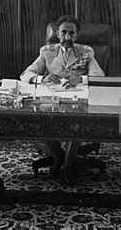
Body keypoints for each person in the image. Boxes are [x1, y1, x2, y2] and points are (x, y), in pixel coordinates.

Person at [20, 15, 105, 180]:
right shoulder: (47, 51)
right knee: (45, 119)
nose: (67, 37)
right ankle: (58, 156)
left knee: (77, 122)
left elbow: (100, 76)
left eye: (71, 33)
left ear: (77, 35)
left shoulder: (86, 52)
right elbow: (25, 74)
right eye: (64, 32)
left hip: (77, 100)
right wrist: (41, 78)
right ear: (57, 34)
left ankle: (68, 164)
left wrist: (81, 78)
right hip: (53, 99)